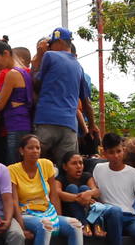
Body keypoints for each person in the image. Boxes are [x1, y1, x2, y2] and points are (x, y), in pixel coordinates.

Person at [8, 135, 87, 245]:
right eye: (30, 147)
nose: (35, 151)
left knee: (75, 225)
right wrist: (22, 228)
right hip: (25, 214)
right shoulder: (12, 170)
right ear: (21, 151)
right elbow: (14, 201)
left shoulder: (46, 165)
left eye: (37, 147)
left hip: (46, 212)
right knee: (44, 226)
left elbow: (54, 196)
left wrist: (58, 218)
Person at [32, 28, 99, 166]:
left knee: (37, 165)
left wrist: (39, 56)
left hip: (46, 121)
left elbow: (36, 82)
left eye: (51, 44)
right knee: (67, 168)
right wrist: (92, 125)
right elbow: (86, 102)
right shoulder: (78, 66)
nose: (49, 47)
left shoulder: (50, 56)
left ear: (60, 42)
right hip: (69, 126)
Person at [54, 151, 104, 237]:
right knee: (72, 188)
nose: (79, 166)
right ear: (65, 167)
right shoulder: (60, 178)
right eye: (74, 163)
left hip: (88, 213)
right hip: (70, 214)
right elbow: (57, 192)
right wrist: (76, 198)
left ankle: (96, 226)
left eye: (81, 163)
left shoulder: (86, 176)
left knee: (84, 188)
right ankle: (84, 225)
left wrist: (87, 194)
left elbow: (96, 191)